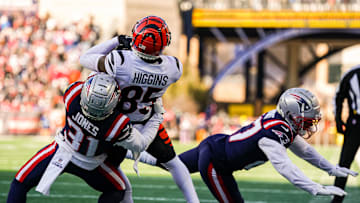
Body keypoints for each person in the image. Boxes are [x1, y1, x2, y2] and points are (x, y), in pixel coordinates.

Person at [133, 88, 359, 203]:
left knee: (168, 164)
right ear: (292, 114)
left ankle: (125, 151)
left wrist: (332, 169)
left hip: (216, 145)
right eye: (306, 118)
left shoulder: (280, 122)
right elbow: (286, 168)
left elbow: (306, 152)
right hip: (215, 162)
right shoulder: (275, 133)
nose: (309, 124)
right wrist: (314, 187)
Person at [79, 15, 199, 203]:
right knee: (174, 163)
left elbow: (85, 58)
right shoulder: (173, 68)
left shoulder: (120, 61)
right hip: (146, 122)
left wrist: (116, 41)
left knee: (116, 176)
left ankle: (129, 155)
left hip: (118, 125)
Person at [7, 73, 164, 203]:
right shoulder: (117, 124)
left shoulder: (72, 94)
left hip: (62, 149)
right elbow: (141, 144)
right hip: (91, 164)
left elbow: (92, 73)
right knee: (118, 190)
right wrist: (157, 116)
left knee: (19, 183)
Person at [332, 65, 360, 203]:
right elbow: (338, 96)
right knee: (344, 162)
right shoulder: (351, 74)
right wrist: (337, 119)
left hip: (354, 122)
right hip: (355, 123)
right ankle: (337, 198)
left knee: (344, 163)